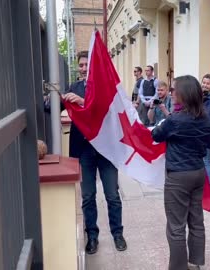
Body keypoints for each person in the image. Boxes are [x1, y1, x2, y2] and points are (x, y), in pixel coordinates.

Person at [63, 51, 127, 254]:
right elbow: (56, 108)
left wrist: (83, 102)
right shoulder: (73, 87)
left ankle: (118, 234)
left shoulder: (106, 86)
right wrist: (51, 98)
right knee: (88, 196)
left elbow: (107, 111)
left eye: (86, 65)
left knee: (112, 195)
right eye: (81, 65)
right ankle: (92, 236)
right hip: (84, 150)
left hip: (106, 150)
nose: (83, 69)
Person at [152, 75, 210, 270]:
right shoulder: (204, 118)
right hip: (197, 172)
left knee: (176, 226)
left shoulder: (175, 120)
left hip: (178, 176)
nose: (171, 92)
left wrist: (167, 119)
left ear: (183, 94)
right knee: (196, 221)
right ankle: (194, 263)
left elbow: (156, 134)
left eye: (173, 90)